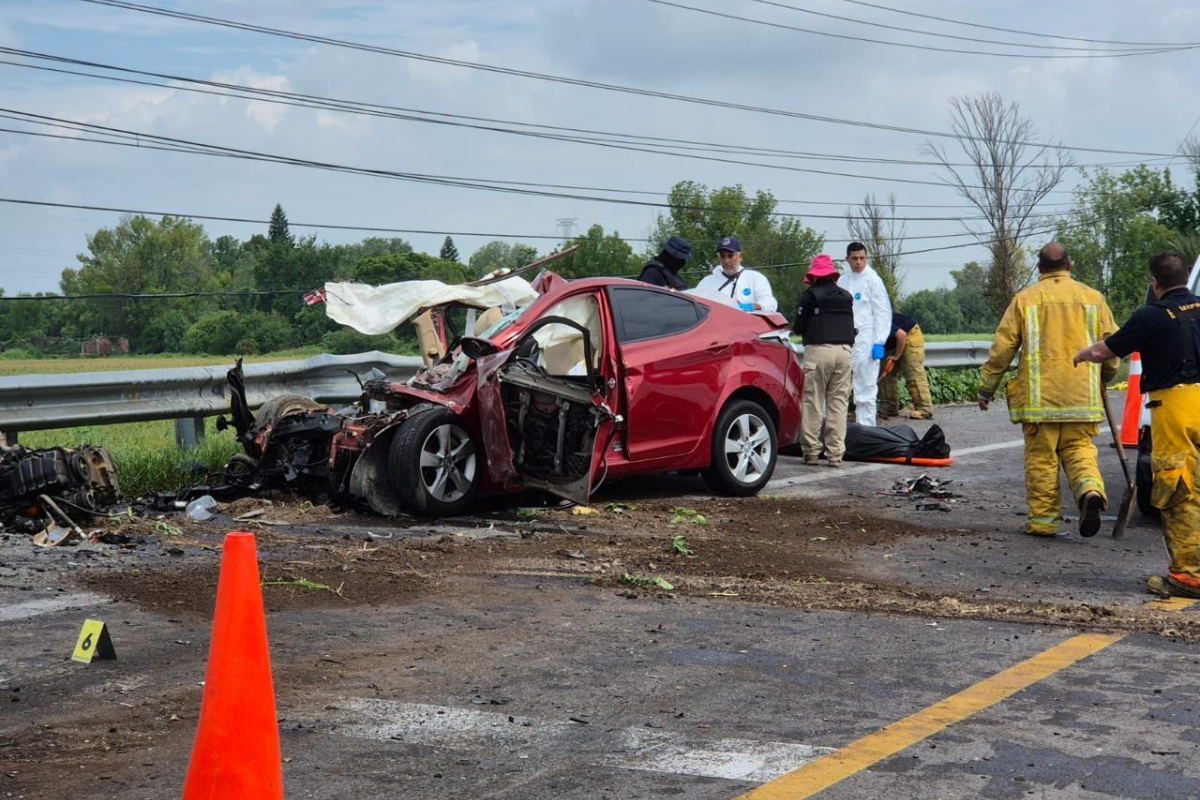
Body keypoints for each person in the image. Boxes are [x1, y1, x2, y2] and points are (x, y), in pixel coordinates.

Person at [1074, 250, 1200, 597]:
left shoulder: (1151, 315)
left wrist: (1082, 355)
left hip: (1178, 408)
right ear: (1188, 277)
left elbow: (1106, 350)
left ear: (1155, 283)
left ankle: (1188, 576)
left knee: (1180, 490)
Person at [978, 242, 1118, 538]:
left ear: (1040, 268)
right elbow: (1112, 345)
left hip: (1040, 403)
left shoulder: (1025, 299)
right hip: (1081, 398)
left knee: (1042, 459)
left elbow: (1003, 348)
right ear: (1070, 264)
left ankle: (1043, 521)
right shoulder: (1093, 298)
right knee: (1080, 452)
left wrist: (986, 388)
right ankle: (1089, 491)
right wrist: (1104, 376)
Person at [793, 254, 855, 467]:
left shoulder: (811, 295)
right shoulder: (847, 296)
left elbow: (799, 326)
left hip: (819, 352)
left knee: (813, 402)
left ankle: (811, 453)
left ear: (814, 276)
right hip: (845, 352)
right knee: (838, 405)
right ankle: (836, 455)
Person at [836, 242, 891, 426]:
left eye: (862, 258)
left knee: (866, 388)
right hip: (844, 340)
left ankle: (867, 429)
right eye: (854, 258)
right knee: (840, 387)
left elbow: (882, 312)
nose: (858, 262)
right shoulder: (842, 280)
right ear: (847, 259)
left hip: (866, 341)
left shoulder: (872, 280)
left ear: (866, 258)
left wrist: (879, 341)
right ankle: (839, 430)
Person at [693, 236, 778, 312]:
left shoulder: (755, 278)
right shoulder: (707, 282)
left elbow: (770, 304)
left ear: (740, 256)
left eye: (730, 256)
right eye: (723, 256)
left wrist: (749, 306)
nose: (726, 261)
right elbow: (694, 304)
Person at [878, 312, 934, 420]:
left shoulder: (879, 321)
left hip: (909, 334)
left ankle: (924, 408)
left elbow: (901, 335)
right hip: (892, 342)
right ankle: (889, 406)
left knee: (913, 372)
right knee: (886, 373)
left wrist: (896, 355)